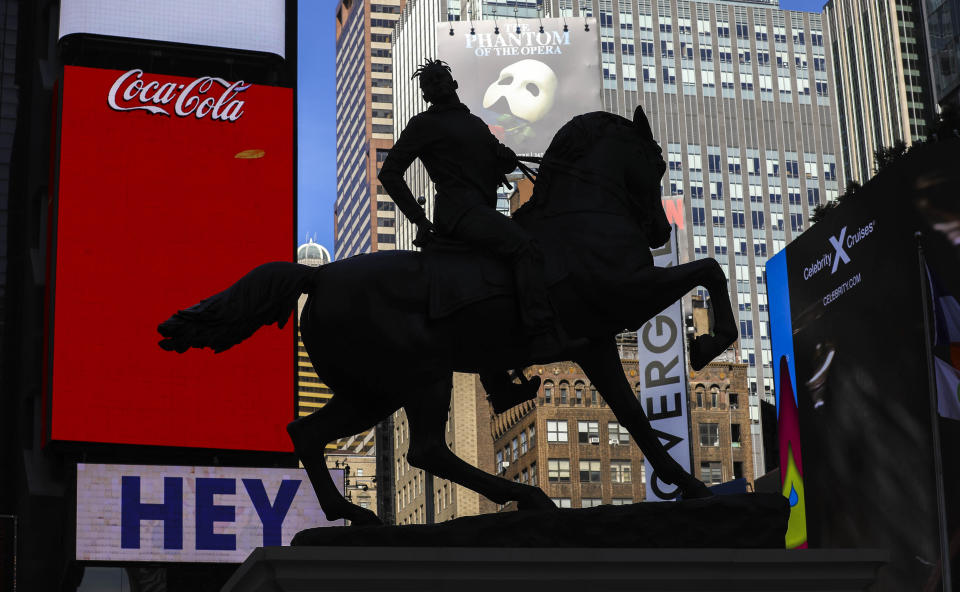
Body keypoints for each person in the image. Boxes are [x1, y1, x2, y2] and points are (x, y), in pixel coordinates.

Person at [377, 59, 564, 411]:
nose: (436, 85)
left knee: (489, 285)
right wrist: (418, 219)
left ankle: (499, 385)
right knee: (523, 247)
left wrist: (503, 158)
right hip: (460, 215)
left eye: (440, 78)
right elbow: (390, 173)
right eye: (429, 82)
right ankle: (540, 331)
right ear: (425, 93)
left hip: (480, 212)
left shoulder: (475, 123)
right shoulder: (424, 125)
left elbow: (494, 163)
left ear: (453, 82)